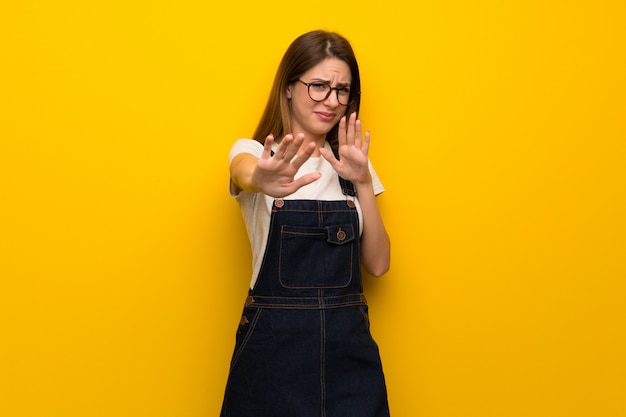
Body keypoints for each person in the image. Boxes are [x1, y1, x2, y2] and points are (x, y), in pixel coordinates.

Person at [221, 30, 391, 417]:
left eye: (342, 90)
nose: (331, 101)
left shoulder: (353, 166)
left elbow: (379, 265)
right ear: (288, 87)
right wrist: (260, 179)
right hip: (273, 354)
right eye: (318, 86)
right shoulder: (258, 154)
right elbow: (243, 171)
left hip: (349, 356)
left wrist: (363, 181)